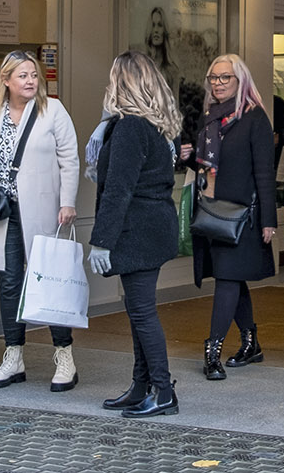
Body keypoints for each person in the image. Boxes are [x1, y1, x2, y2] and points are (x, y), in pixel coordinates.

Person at [0, 51, 80, 392]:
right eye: (22, 76)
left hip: (45, 209)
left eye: (34, 75)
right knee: (9, 284)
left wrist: (68, 201)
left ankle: (64, 355)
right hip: (4, 212)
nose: (30, 81)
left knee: (50, 279)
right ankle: (14, 357)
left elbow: (69, 158)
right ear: (6, 81)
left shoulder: (52, 110)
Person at [89, 51, 184, 418]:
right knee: (137, 309)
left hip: (138, 228)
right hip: (155, 224)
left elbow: (119, 189)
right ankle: (142, 385)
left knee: (142, 311)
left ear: (122, 82)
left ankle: (162, 391)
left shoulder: (130, 126)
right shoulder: (157, 126)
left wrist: (102, 240)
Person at [179, 54, 277, 380]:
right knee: (231, 278)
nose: (218, 84)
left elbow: (265, 172)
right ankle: (251, 342)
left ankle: (213, 351)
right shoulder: (208, 119)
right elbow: (207, 168)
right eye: (214, 78)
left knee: (227, 278)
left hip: (243, 217)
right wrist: (190, 158)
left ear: (240, 81)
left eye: (225, 78)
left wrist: (268, 220)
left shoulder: (254, 118)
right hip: (212, 212)